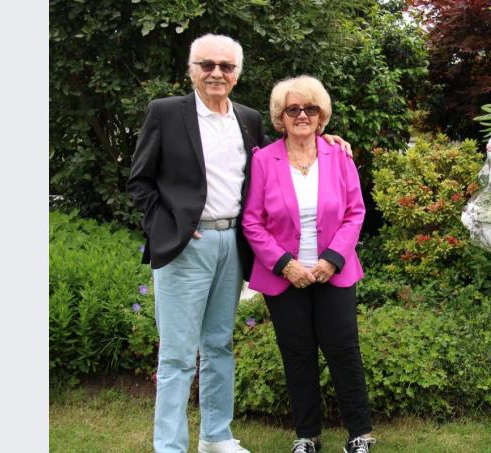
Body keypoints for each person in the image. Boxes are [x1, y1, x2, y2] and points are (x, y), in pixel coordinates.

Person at [127, 34, 352, 453]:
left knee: (219, 345)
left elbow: (285, 155)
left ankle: (216, 437)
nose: (217, 73)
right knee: (177, 354)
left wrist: (329, 141)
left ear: (236, 74)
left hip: (233, 244)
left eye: (226, 66)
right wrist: (168, 226)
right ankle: (170, 446)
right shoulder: (165, 113)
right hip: (186, 247)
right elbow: (139, 181)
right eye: (207, 65)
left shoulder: (248, 119)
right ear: (192, 70)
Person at [242, 75, 375, 453]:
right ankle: (307, 436)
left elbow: (355, 212)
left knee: (344, 352)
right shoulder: (263, 160)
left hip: (334, 273)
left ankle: (360, 434)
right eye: (293, 109)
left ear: (321, 116)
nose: (302, 115)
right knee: (297, 355)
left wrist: (332, 260)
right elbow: (252, 221)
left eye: (310, 108)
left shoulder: (339, 156)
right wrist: (285, 264)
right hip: (285, 277)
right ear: (280, 117)